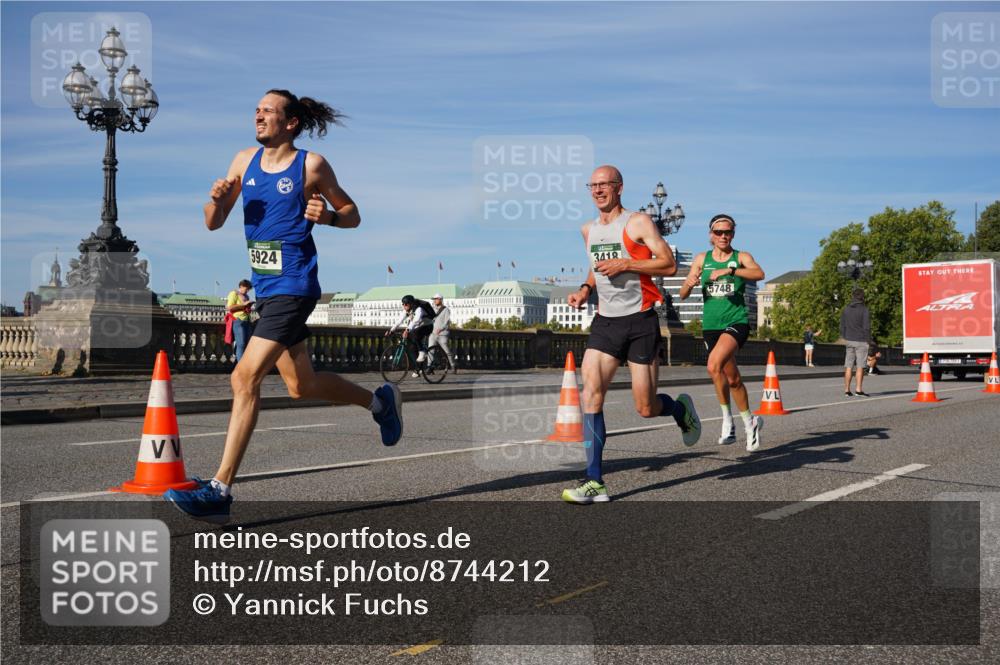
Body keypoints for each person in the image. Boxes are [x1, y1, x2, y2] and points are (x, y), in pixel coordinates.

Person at [165, 89, 402, 523]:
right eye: (256, 110)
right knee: (300, 386)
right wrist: (215, 200)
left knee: (244, 377)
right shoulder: (243, 162)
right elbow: (214, 222)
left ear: (290, 123)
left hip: (295, 285)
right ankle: (380, 404)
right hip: (266, 288)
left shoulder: (311, 165)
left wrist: (328, 217)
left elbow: (352, 213)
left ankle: (220, 489)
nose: (258, 116)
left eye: (268, 111)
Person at [561, 165, 701, 505]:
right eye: (592, 185)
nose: (597, 191)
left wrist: (627, 264)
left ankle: (679, 410)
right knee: (591, 395)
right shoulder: (588, 230)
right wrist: (584, 289)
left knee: (646, 407)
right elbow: (596, 268)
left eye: (604, 185)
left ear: (619, 188)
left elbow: (668, 264)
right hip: (606, 322)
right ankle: (594, 481)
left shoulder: (638, 223)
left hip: (641, 321)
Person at [679, 214, 766, 451]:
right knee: (733, 379)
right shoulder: (702, 259)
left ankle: (727, 421)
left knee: (713, 366)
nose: (723, 236)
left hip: (736, 322)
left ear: (733, 234)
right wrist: (689, 283)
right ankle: (751, 422)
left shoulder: (741, 257)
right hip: (711, 326)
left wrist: (730, 271)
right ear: (711, 235)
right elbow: (683, 294)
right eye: (718, 232)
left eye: (727, 232)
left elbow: (759, 274)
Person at [387, 295, 437, 377]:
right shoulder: (407, 310)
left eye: (406, 304)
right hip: (418, 326)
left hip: (428, 326)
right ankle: (418, 369)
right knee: (411, 348)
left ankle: (422, 352)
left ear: (411, 304)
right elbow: (399, 321)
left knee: (415, 333)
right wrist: (391, 330)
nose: (404, 306)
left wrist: (407, 330)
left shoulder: (419, 309)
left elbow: (416, 320)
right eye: (403, 304)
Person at [840, 287, 871, 397]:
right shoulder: (864, 310)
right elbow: (866, 327)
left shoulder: (846, 309)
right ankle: (858, 390)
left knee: (848, 366)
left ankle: (847, 390)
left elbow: (842, 325)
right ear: (862, 297)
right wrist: (868, 340)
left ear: (853, 296)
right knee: (860, 366)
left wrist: (845, 336)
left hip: (849, 340)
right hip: (861, 340)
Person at [226, 279, 254, 362]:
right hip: (238, 320)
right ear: (241, 286)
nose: (247, 291)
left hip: (247, 320)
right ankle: (240, 365)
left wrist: (248, 306)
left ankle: (239, 362)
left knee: (246, 343)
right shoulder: (233, 293)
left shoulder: (246, 296)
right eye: (247, 289)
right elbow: (230, 307)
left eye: (249, 289)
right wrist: (243, 305)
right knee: (241, 343)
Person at [428, 293, 456, 372]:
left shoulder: (446, 310)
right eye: (434, 299)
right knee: (430, 351)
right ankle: (429, 367)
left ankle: (453, 365)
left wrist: (441, 329)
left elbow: (447, 322)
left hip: (443, 334)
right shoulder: (432, 309)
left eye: (436, 299)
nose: (434, 301)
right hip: (433, 333)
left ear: (440, 299)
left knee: (447, 351)